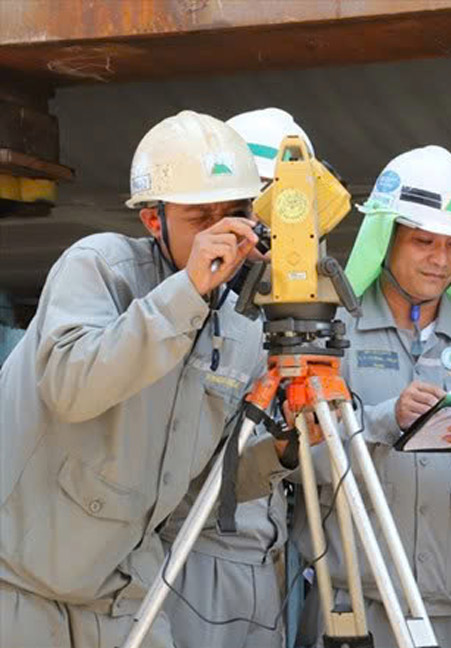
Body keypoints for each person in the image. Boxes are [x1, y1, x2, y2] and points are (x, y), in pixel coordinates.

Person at [0, 110, 315, 648]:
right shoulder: (100, 267)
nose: (223, 234)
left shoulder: (235, 329)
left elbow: (209, 487)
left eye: (235, 214)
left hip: (127, 594)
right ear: (153, 220)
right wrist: (187, 292)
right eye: (201, 218)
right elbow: (72, 387)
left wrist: (282, 448)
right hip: (23, 588)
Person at [292, 145, 451, 648]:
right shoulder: (331, 332)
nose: (440, 261)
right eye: (424, 241)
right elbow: (297, 461)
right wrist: (383, 420)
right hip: (353, 608)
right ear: (386, 239)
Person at [157, 107, 316, 648]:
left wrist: (295, 445)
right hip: (189, 555)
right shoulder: (182, 305)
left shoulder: (283, 309)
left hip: (265, 554)